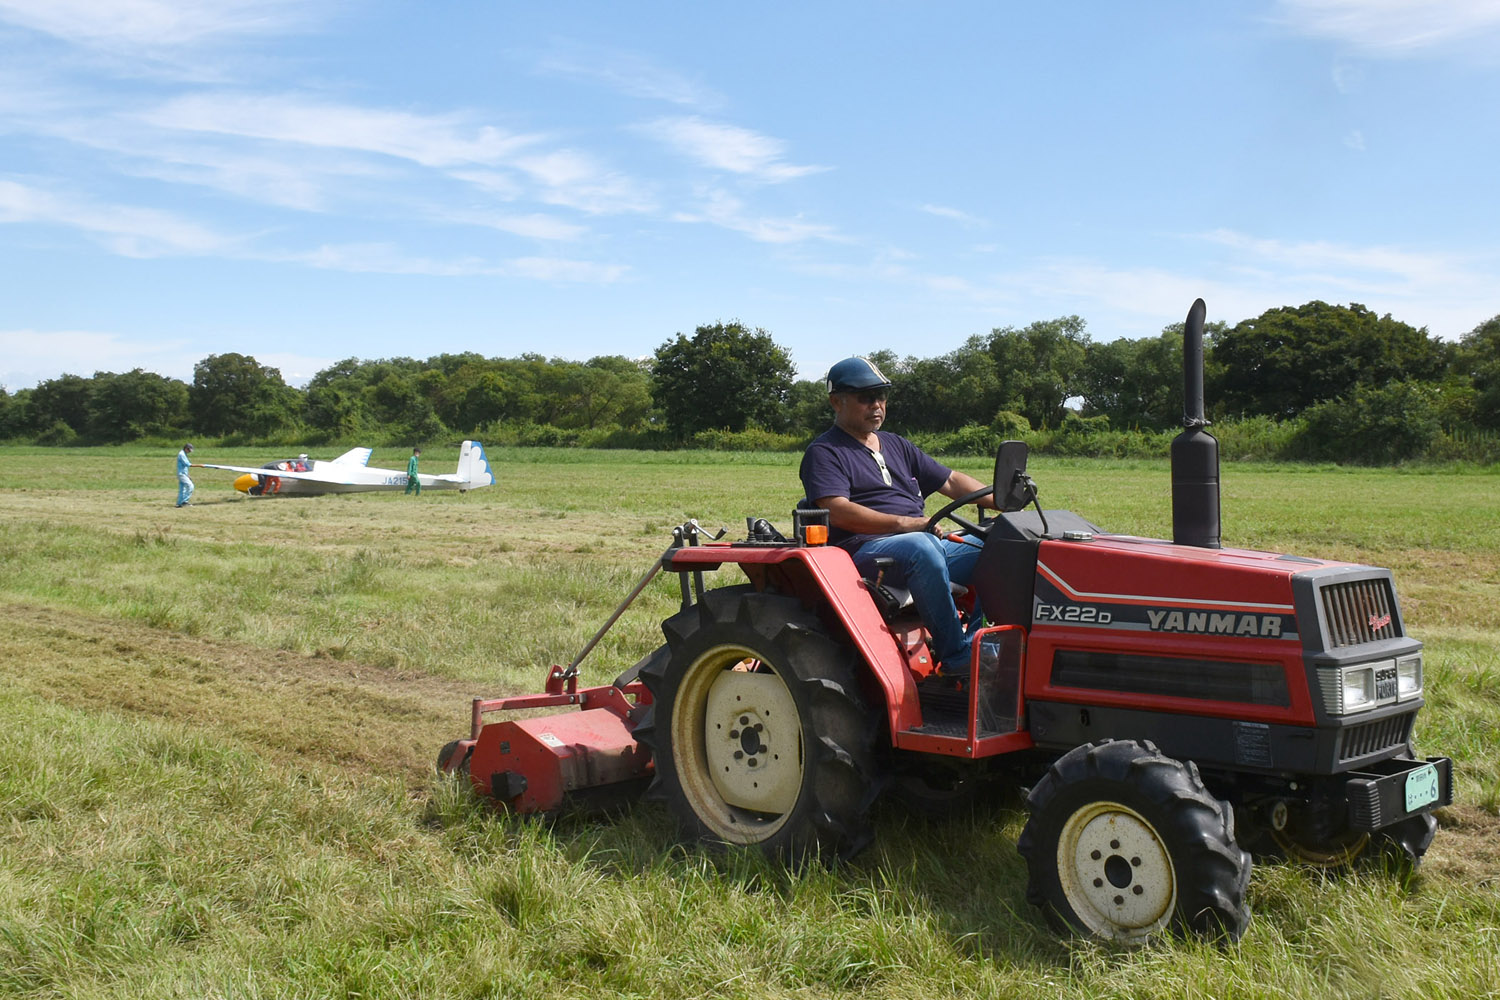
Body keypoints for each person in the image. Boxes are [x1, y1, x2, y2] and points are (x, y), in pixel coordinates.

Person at [799, 357, 994, 677]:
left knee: (1002, 542)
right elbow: (837, 510)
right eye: (866, 397)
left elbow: (950, 481)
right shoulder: (825, 452)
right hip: (867, 554)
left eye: (881, 396)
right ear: (836, 402)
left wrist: (1003, 498)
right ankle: (957, 657)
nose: (876, 405)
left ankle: (985, 645)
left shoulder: (896, 444)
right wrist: (906, 524)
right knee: (921, 546)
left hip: (922, 545)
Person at [175, 443, 195, 507]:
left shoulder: (184, 453)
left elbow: (184, 466)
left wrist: (188, 475)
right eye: (189, 450)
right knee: (190, 486)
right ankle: (185, 502)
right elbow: (187, 464)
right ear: (186, 448)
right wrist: (200, 465)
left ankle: (179, 503)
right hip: (182, 474)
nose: (189, 452)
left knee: (182, 489)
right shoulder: (182, 454)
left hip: (183, 473)